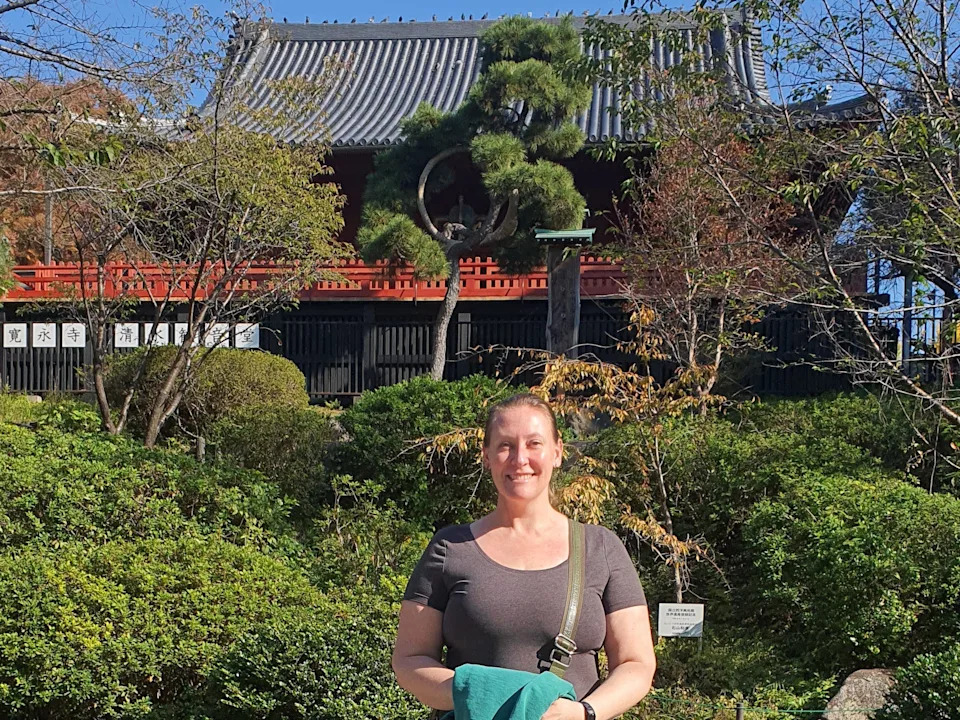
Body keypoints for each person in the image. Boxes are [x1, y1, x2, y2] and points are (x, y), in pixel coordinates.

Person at [393, 393, 657, 720]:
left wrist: (584, 713)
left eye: (534, 443)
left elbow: (637, 663)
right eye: (505, 445)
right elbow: (409, 660)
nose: (520, 459)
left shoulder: (600, 548)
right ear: (486, 456)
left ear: (557, 453)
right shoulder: (449, 548)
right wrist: (477, 692)